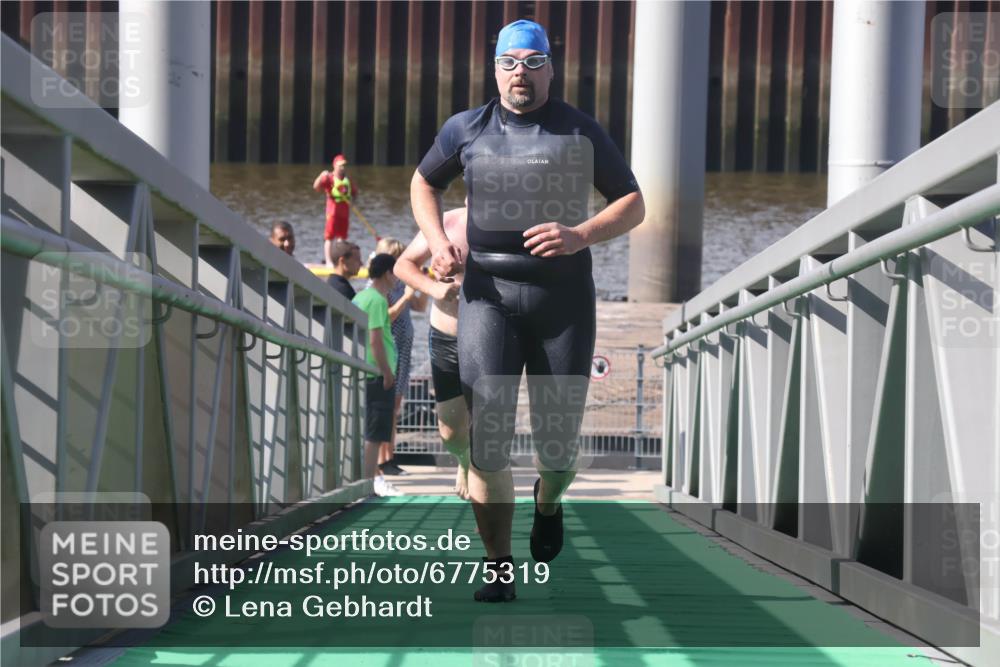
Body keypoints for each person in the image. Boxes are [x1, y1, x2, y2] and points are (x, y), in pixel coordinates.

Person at [410, 19, 645, 602]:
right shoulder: (467, 128)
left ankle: (550, 497)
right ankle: (498, 567)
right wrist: (438, 242)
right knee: (488, 436)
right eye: (510, 61)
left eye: (533, 62)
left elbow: (633, 203)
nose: (521, 72)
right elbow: (422, 183)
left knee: (557, 446)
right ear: (495, 69)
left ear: (549, 69)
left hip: (561, 301)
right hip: (486, 296)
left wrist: (579, 234)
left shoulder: (578, 131)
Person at [394, 208, 470, 498]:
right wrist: (433, 289)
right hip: (447, 336)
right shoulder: (447, 222)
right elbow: (403, 265)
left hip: (494, 336)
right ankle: (464, 459)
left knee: (488, 427)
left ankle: (489, 517)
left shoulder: (512, 222)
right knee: (450, 432)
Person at [373, 237, 429, 477]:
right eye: (396, 259)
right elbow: (387, 317)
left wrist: (424, 283)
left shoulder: (397, 285)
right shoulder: (379, 289)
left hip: (403, 353)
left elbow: (419, 307)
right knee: (387, 407)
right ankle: (382, 459)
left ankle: (390, 456)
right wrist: (406, 296)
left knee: (395, 407)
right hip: (390, 352)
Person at [351, 253, 404, 498]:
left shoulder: (360, 295)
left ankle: (365, 481)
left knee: (367, 430)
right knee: (375, 433)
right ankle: (368, 485)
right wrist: (386, 371)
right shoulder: (377, 300)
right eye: (395, 273)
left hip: (364, 370)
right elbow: (375, 339)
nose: (397, 279)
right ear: (387, 273)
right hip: (376, 373)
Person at [313, 154, 358, 265]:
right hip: (332, 213)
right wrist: (320, 176)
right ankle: (328, 261)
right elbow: (316, 187)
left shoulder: (348, 180)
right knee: (329, 237)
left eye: (344, 165)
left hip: (344, 213)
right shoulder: (329, 178)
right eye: (340, 165)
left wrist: (353, 202)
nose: (343, 168)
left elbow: (355, 193)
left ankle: (339, 260)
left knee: (341, 238)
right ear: (334, 166)